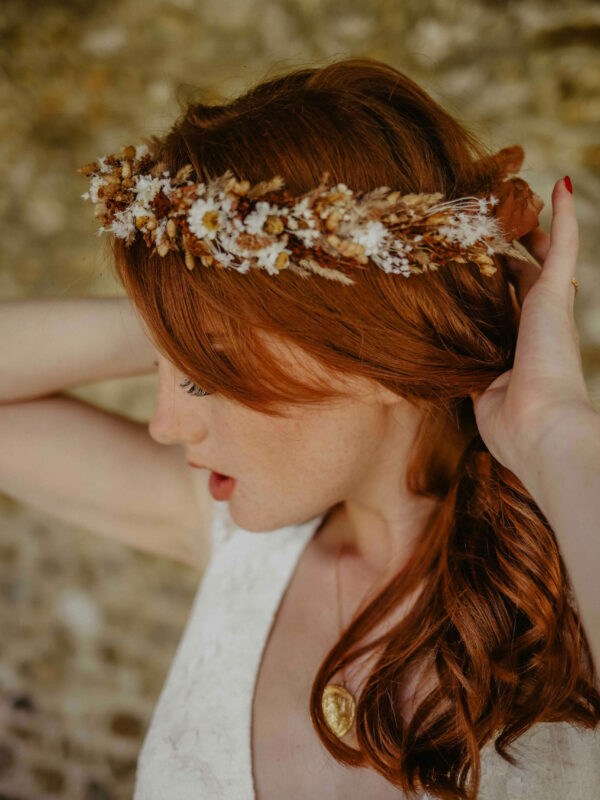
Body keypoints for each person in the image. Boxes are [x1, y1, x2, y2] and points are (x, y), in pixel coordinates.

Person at [1, 57, 599, 799]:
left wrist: (555, 431)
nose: (163, 425)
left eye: (202, 376)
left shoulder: (581, 580)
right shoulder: (242, 543)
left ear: (372, 357)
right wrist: (181, 311)